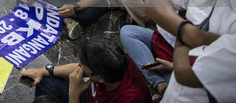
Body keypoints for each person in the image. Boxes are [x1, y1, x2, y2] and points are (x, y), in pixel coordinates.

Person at [20, 37, 151, 103]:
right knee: (46, 82)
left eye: (83, 65)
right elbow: (79, 67)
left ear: (99, 78)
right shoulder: (116, 62)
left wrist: (73, 94)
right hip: (89, 95)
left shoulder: (130, 99)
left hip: (82, 96)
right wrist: (44, 71)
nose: (79, 66)